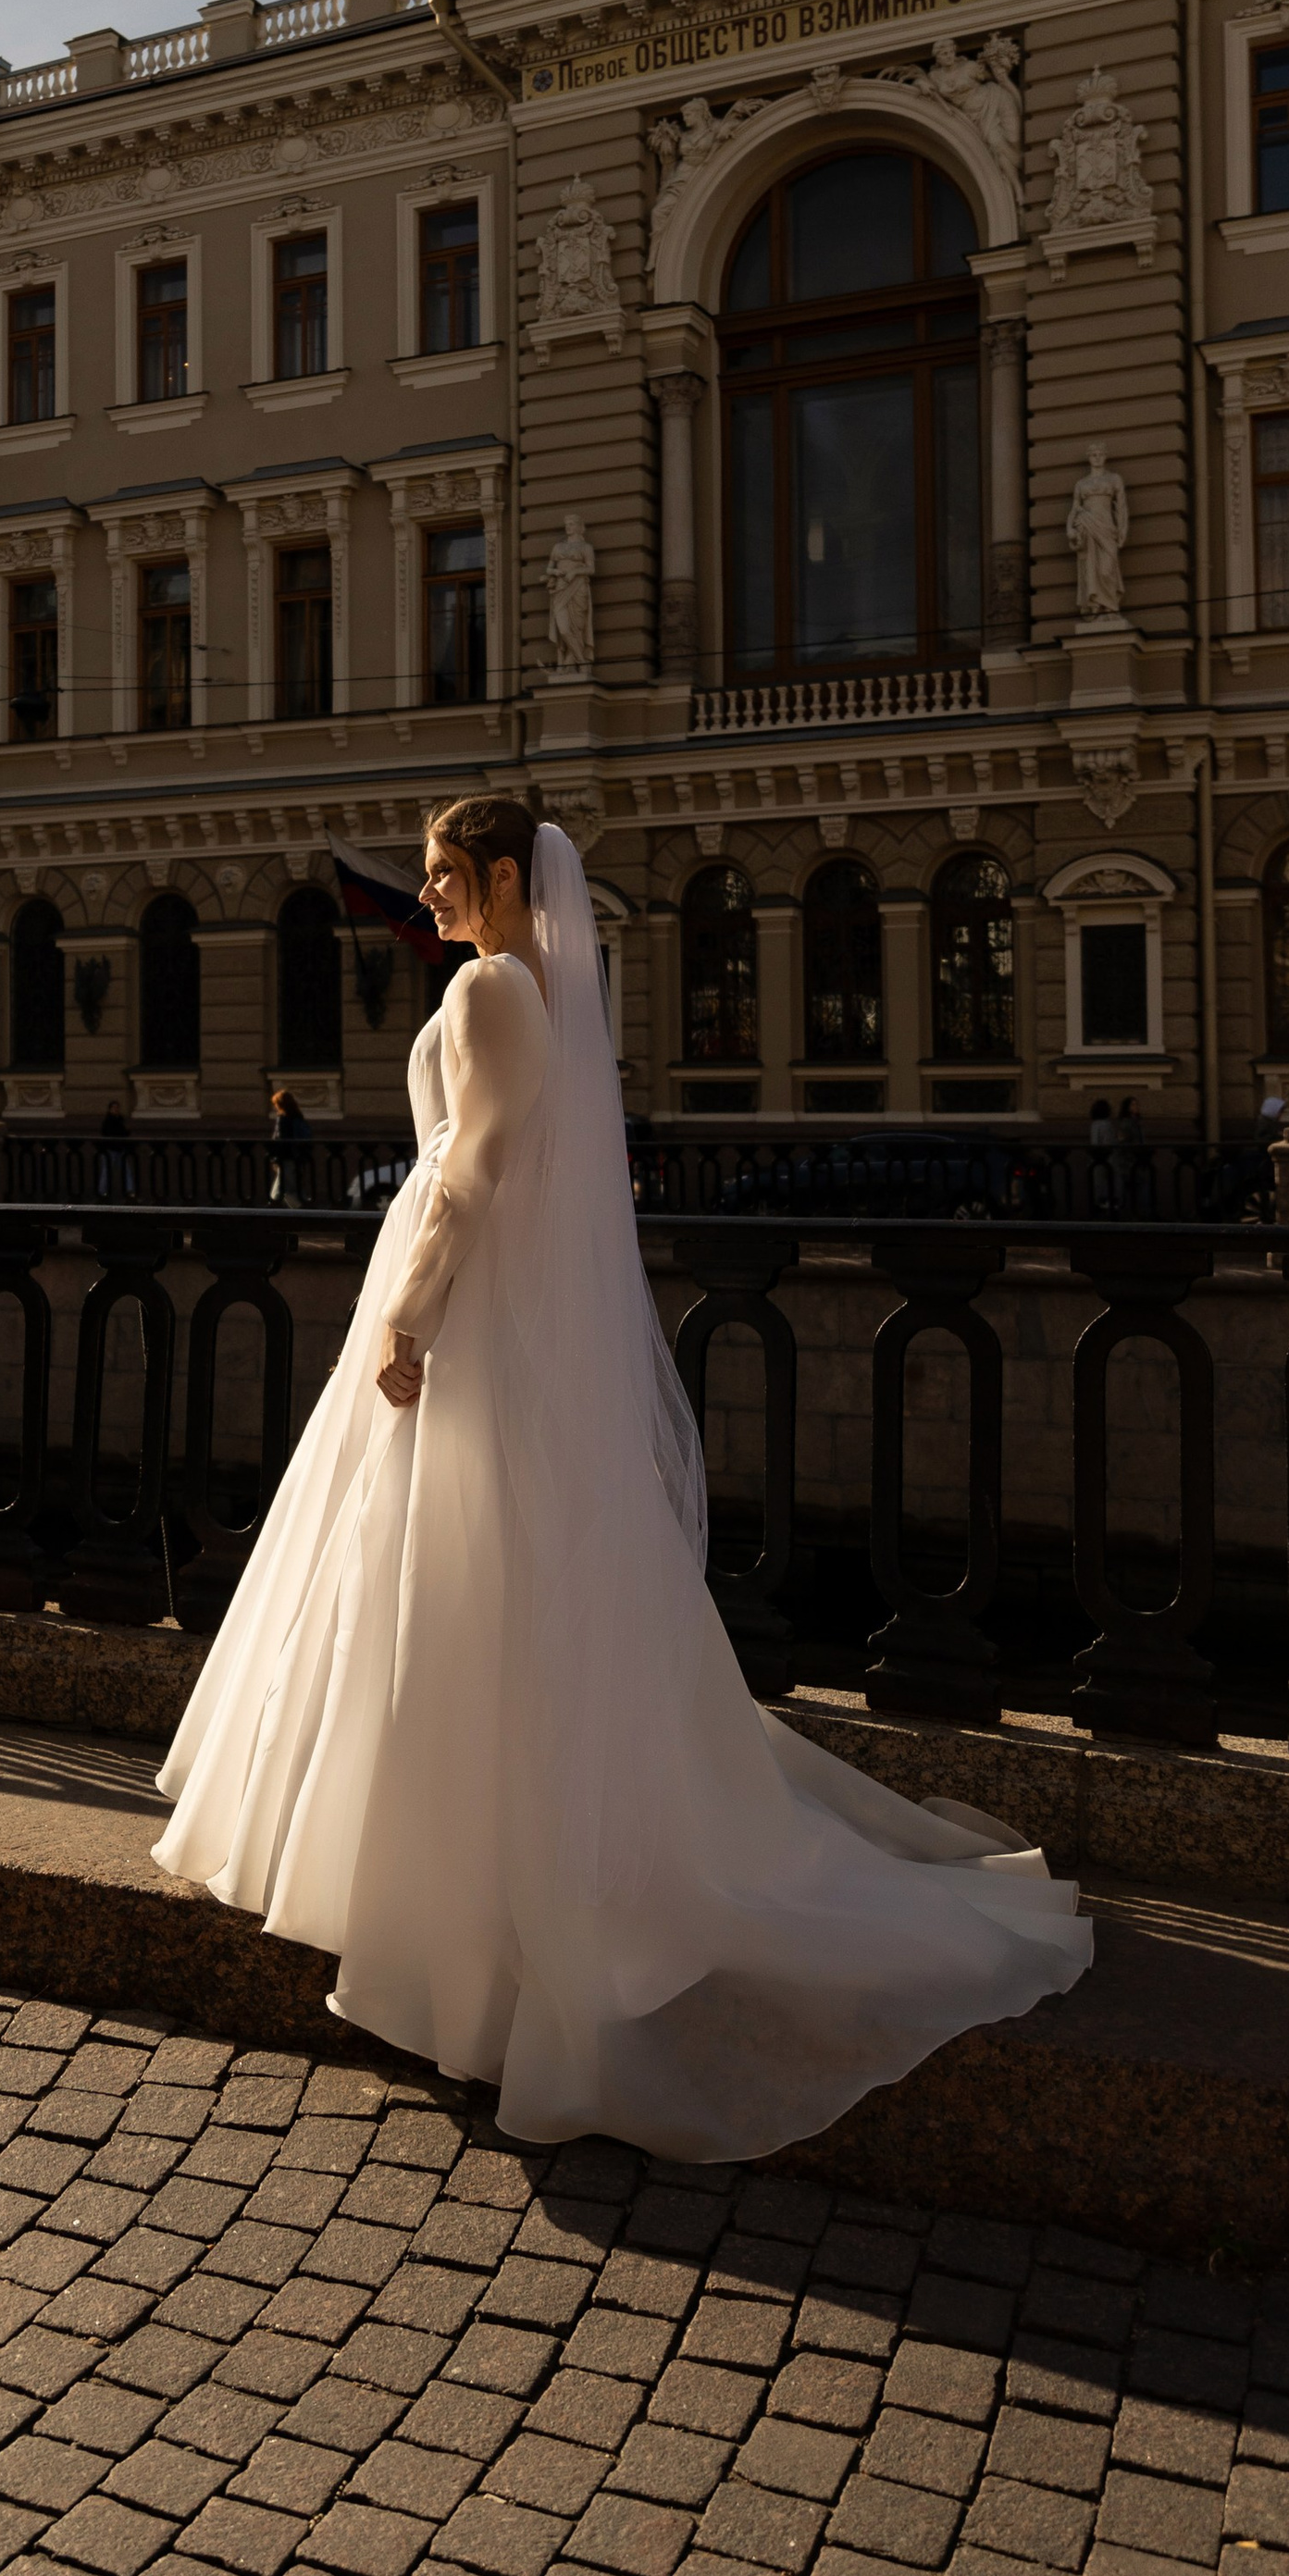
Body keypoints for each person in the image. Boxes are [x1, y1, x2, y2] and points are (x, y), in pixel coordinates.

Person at [154, 798, 1090, 2163]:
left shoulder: (487, 994)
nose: (426, 900)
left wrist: (407, 1320)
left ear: (493, 878)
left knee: (444, 1604)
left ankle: (457, 1937)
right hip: (503, 1328)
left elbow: (467, 1174)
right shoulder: (539, 997)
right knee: (498, 1612)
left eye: (441, 878)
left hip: (460, 1318)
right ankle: (475, 1930)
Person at [268, 1084, 312, 1207]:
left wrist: (275, 1157)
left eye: (276, 1104)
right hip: (297, 1157)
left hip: (286, 1159)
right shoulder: (298, 1117)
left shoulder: (283, 1119)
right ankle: (304, 1206)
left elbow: (280, 1139)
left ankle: (303, 1210)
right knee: (291, 1188)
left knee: (284, 1191)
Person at [97, 1099, 134, 1203]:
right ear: (110, 1109)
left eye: (117, 1108)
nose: (116, 1110)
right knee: (106, 1171)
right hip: (111, 1150)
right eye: (114, 1108)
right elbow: (110, 1133)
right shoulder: (108, 1121)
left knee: (126, 1170)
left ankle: (129, 1189)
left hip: (119, 1149)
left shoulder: (119, 1120)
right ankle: (102, 1191)